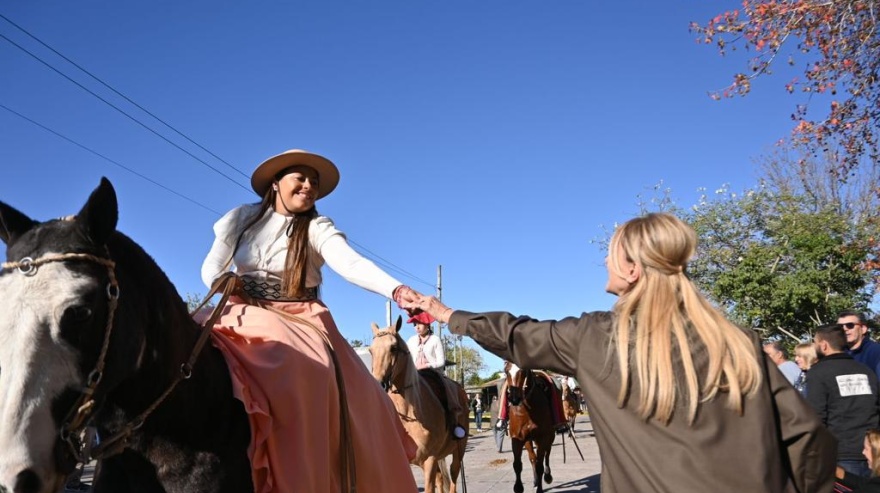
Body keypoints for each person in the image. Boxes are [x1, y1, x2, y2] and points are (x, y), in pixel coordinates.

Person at [403, 212, 836, 492]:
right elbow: (809, 440)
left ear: (631, 269)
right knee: (508, 397)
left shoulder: (598, 337)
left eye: (609, 256)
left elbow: (517, 333)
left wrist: (444, 313)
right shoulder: (738, 341)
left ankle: (472, 425)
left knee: (535, 394)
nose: (604, 264)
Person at [200, 148, 418, 492]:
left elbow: (351, 264)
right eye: (299, 178)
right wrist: (219, 280)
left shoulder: (316, 227)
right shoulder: (241, 218)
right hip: (241, 305)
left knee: (308, 366)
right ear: (275, 183)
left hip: (299, 314)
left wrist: (397, 290)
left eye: (313, 182)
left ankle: (300, 470)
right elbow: (212, 265)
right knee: (185, 339)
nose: (308, 186)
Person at [807, 323, 879, 478]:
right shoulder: (865, 371)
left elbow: (816, 416)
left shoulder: (817, 373)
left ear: (824, 345)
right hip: (871, 451)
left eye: (815, 342)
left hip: (841, 454)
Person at [405, 317, 467, 439]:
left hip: (432, 374)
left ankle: (454, 423)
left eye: (420, 324)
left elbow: (441, 361)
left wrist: (426, 365)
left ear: (427, 324)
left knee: (447, 389)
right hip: (415, 375)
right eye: (415, 324)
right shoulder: (411, 341)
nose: (417, 327)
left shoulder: (435, 340)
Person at [842, 310, 880, 378]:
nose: (844, 329)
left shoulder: (876, 352)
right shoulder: (838, 353)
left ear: (863, 329)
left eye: (850, 325)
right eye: (840, 327)